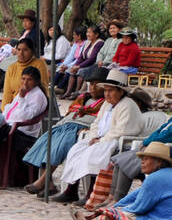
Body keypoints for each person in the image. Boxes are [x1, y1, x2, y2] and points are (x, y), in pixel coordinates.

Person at [47, 74, 143, 202]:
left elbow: (121, 130)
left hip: (116, 141)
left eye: (111, 90)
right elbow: (96, 123)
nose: (107, 94)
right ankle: (71, 190)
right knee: (75, 150)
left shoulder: (127, 105)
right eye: (105, 90)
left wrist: (101, 140)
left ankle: (91, 194)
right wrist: (93, 137)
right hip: (100, 138)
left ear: (121, 91)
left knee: (94, 154)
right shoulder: (107, 105)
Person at [72, 142, 172, 220]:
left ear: (159, 162)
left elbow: (139, 208)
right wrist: (115, 206)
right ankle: (93, 218)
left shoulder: (154, 179)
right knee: (118, 212)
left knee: (120, 218)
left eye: (146, 159)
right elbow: (136, 194)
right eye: (142, 158)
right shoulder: (163, 175)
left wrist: (114, 211)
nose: (142, 162)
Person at [22, 81, 106, 187]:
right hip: (65, 125)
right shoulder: (82, 98)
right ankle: (49, 185)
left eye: (96, 85)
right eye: (91, 84)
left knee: (58, 147)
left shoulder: (104, 103)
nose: (92, 87)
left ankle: (41, 182)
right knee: (45, 142)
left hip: (79, 128)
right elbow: (70, 114)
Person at [98, 114, 172, 207]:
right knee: (120, 160)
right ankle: (111, 197)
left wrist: (146, 142)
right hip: (154, 147)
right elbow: (158, 131)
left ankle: (118, 199)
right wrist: (147, 141)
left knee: (127, 163)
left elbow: (165, 136)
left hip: (164, 152)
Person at [0, 67, 48, 186]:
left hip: (24, 133)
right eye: (23, 79)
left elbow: (25, 116)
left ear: (36, 81)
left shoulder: (37, 96)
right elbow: (10, 108)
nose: (25, 83)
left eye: (29, 80)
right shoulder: (23, 91)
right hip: (10, 126)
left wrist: (21, 98)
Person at [0, 39, 49, 112]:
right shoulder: (12, 68)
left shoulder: (39, 64)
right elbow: (7, 93)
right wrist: (4, 112)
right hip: (13, 108)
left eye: (25, 50)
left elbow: (43, 87)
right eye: (18, 50)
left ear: (32, 51)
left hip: (32, 106)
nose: (21, 53)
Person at [61, 25, 102, 99]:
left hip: (93, 64)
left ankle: (77, 92)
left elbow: (92, 59)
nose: (87, 34)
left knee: (81, 71)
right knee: (72, 70)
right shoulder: (88, 42)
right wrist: (75, 66)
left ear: (96, 34)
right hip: (85, 63)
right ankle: (68, 92)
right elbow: (81, 57)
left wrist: (79, 66)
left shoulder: (99, 43)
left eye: (90, 32)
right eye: (87, 32)